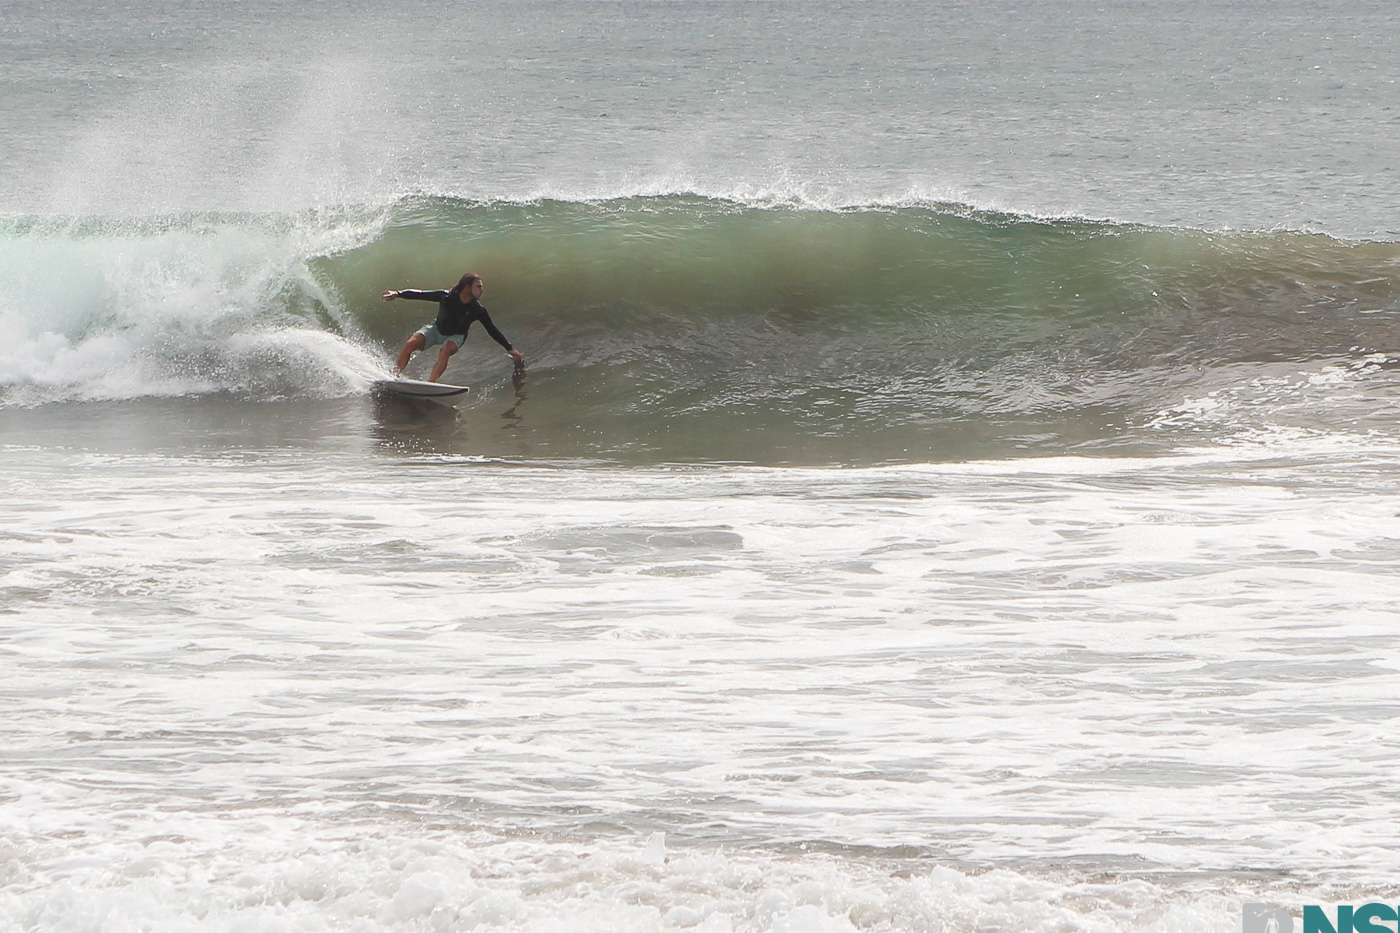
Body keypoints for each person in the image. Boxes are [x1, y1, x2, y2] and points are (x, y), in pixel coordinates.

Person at [382, 273, 523, 382]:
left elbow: (492, 330)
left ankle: (430, 384)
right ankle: (393, 376)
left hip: (456, 336)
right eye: (478, 286)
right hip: (436, 329)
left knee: (445, 351)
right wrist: (398, 294)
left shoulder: (478, 310)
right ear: (467, 287)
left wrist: (510, 349)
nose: (482, 290)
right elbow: (421, 294)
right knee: (410, 344)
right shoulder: (446, 297)